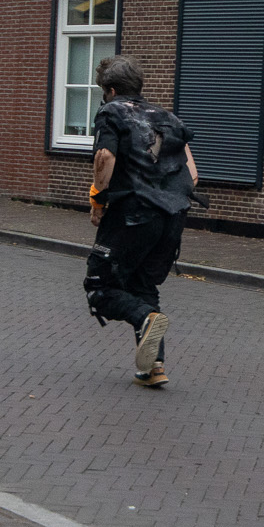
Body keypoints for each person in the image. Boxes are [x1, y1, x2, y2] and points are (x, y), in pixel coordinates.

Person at [84, 56, 197, 388]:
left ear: (111, 89)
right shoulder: (168, 118)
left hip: (131, 214)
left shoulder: (112, 112)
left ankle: (145, 319)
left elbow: (105, 157)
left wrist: (98, 201)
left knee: (100, 288)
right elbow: (193, 174)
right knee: (143, 287)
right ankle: (153, 367)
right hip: (172, 219)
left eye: (103, 92)